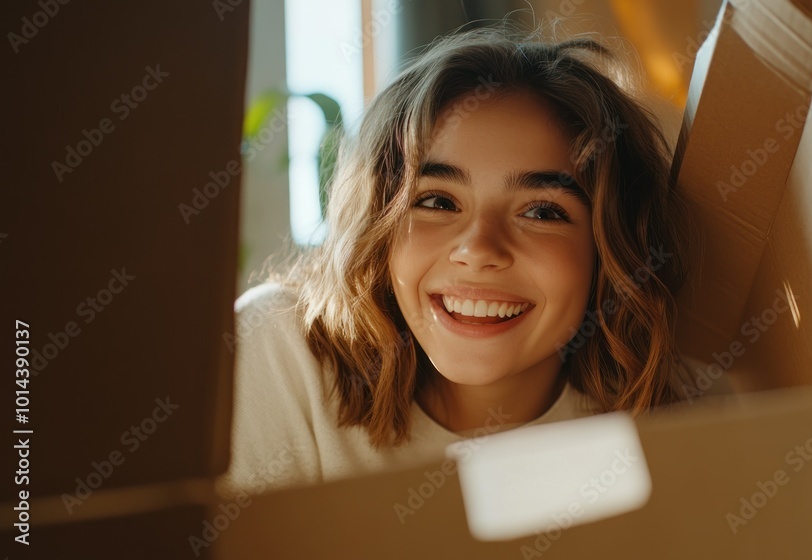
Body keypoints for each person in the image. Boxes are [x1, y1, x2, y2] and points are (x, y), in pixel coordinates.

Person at [220, 25, 698, 498]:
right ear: (378, 227)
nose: (478, 250)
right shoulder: (278, 355)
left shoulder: (679, 411)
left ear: (608, 249)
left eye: (542, 211)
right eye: (438, 202)